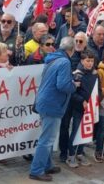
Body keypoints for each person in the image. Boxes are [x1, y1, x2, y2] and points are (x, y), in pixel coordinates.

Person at [29, 36, 78, 182]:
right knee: (47, 139)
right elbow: (62, 85)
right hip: (52, 104)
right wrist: (74, 85)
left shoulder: (54, 58)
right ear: (72, 50)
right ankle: (36, 170)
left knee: (48, 138)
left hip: (45, 102)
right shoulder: (64, 62)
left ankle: (47, 164)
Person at [64, 50, 97, 168]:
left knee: (86, 132)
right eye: (87, 61)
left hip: (91, 108)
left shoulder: (94, 74)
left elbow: (97, 90)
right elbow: (73, 93)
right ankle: (71, 155)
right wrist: (82, 101)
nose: (90, 63)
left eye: (92, 61)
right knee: (76, 131)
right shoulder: (77, 74)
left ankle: (80, 153)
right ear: (82, 61)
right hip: (79, 108)